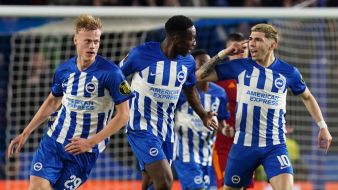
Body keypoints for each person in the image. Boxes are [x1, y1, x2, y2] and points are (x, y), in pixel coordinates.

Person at [196, 23, 332, 190]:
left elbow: (308, 97)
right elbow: (200, 76)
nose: (252, 43)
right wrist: (224, 53)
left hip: (274, 145)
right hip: (243, 145)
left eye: (258, 40)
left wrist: (322, 126)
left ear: (272, 45)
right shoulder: (240, 67)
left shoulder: (289, 72)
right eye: (251, 39)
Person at [7, 14, 134, 190]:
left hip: (84, 151)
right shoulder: (64, 69)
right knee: (36, 188)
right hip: (54, 141)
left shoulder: (112, 74)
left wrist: (90, 142)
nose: (92, 46)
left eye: (96, 41)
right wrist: (26, 133)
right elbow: (53, 101)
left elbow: (124, 115)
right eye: (88, 41)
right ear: (76, 40)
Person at [119, 15, 218, 190]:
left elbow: (189, 89)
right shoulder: (142, 53)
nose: (194, 43)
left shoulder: (187, 62)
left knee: (151, 181)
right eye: (191, 38)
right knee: (165, 180)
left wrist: (203, 114)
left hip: (166, 129)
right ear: (176, 39)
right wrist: (124, 99)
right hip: (141, 127)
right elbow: (116, 76)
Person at [173, 49, 230, 190]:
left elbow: (221, 123)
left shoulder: (220, 93)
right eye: (202, 65)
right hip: (185, 153)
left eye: (209, 64)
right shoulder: (182, 91)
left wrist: (226, 129)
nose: (207, 68)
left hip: (207, 155)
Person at [211, 33, 253, 190]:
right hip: (224, 144)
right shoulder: (217, 79)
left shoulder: (256, 76)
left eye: (243, 49)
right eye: (234, 51)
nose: (240, 53)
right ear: (228, 52)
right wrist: (221, 127)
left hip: (248, 144)